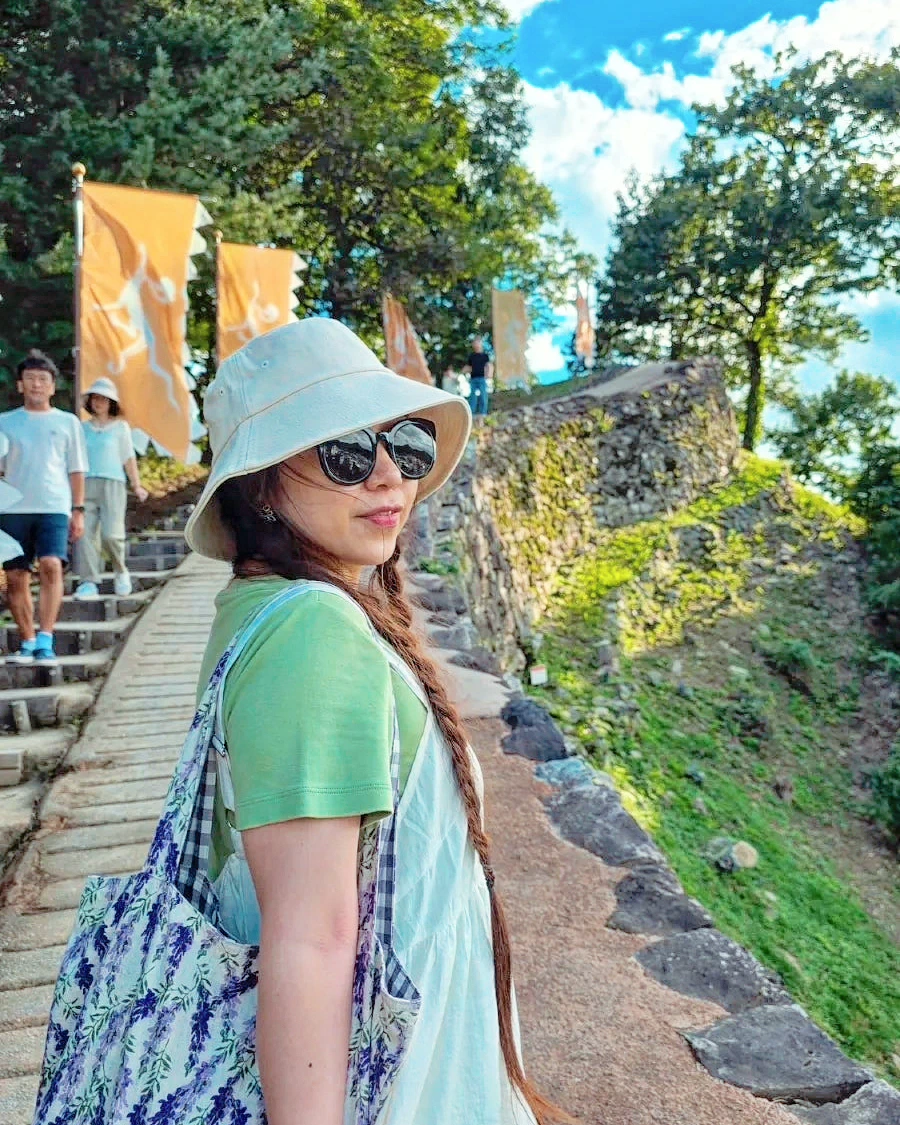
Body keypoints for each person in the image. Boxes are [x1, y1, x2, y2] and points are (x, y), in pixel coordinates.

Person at [183, 318, 561, 1125]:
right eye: (345, 452)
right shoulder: (311, 632)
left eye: (406, 446)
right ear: (261, 485)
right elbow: (310, 937)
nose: (388, 475)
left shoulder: (264, 607)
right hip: (401, 1088)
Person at [0, 349, 87, 667]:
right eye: (30, 378)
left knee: (51, 564)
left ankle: (46, 639)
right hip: (11, 509)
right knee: (16, 576)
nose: (36, 384)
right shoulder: (4, 422)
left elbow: (77, 469)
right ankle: (27, 642)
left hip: (54, 506)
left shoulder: (67, 422)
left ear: (52, 386)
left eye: (42, 379)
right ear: (20, 384)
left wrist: (78, 509)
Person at [72, 377, 148, 599]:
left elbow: (128, 458)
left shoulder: (121, 428)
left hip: (113, 484)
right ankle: (88, 581)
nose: (99, 403)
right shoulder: (81, 428)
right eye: (95, 398)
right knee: (84, 534)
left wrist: (137, 485)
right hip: (86, 484)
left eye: (104, 399)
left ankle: (120, 570)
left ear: (111, 403)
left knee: (111, 535)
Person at [464, 334, 493, 417]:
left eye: (478, 342)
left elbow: (489, 365)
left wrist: (489, 374)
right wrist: (463, 372)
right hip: (473, 379)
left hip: (482, 378)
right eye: (475, 343)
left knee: (483, 396)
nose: (476, 344)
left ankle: (483, 413)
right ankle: (471, 414)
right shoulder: (471, 356)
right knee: (472, 397)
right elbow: (469, 367)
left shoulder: (485, 356)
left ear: (481, 344)